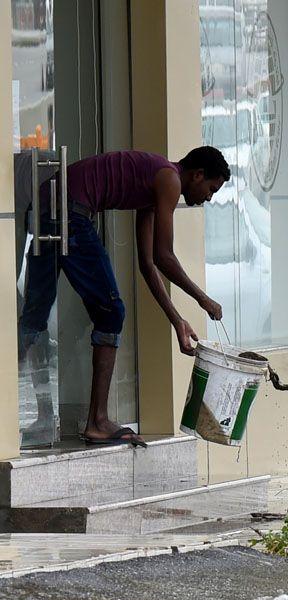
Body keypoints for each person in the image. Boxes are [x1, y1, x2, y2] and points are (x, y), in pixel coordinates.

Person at [17, 147, 229, 447]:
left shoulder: (156, 184)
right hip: (69, 211)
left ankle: (42, 418)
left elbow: (148, 264)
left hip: (47, 206)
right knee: (111, 311)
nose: (209, 197)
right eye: (211, 188)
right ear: (197, 175)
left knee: (35, 318)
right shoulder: (168, 179)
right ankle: (98, 421)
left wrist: (176, 320)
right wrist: (203, 300)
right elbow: (165, 256)